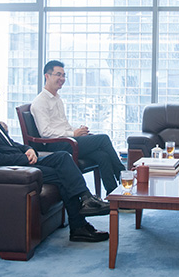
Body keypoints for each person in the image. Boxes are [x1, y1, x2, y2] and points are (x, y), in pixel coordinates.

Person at [0, 76, 110, 243]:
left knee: (63, 157)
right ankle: (79, 226)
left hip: (21, 159)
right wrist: (24, 158)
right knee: (62, 176)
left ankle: (86, 199)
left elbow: (10, 144)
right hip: (13, 168)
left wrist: (28, 149)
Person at [30, 60, 124, 195]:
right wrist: (73, 134)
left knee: (102, 156)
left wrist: (78, 131)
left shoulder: (57, 99)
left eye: (63, 75)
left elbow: (64, 125)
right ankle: (122, 174)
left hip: (67, 140)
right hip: (56, 145)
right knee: (103, 139)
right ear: (47, 76)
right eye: (58, 75)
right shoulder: (40, 102)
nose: (62, 79)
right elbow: (45, 132)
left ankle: (113, 194)